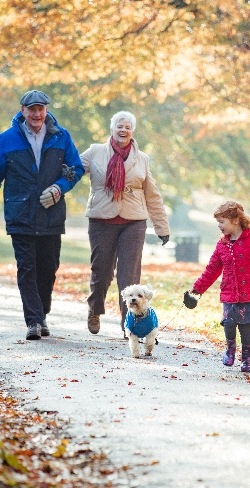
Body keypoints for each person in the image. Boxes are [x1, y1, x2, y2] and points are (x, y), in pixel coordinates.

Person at [0, 90, 84, 341]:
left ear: (46, 111)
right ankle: (34, 320)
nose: (36, 114)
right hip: (20, 214)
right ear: (22, 111)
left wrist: (59, 188)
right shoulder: (7, 139)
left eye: (40, 109)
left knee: (49, 268)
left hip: (51, 214)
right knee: (27, 268)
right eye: (31, 109)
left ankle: (41, 313)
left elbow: (76, 169)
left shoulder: (61, 137)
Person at [80, 111, 170, 336]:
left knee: (128, 276)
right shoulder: (95, 152)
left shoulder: (142, 158)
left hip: (134, 221)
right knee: (101, 271)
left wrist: (162, 227)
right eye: (120, 126)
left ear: (133, 131)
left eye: (128, 127)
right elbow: (71, 171)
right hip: (102, 219)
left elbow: (153, 195)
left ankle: (128, 324)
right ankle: (94, 310)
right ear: (112, 128)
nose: (123, 130)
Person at [189, 201, 250, 373]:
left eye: (222, 221)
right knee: (229, 323)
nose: (219, 225)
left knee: (245, 327)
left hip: (249, 293)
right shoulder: (222, 245)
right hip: (229, 291)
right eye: (218, 222)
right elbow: (212, 270)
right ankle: (230, 349)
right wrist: (196, 289)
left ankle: (247, 359)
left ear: (235, 220)